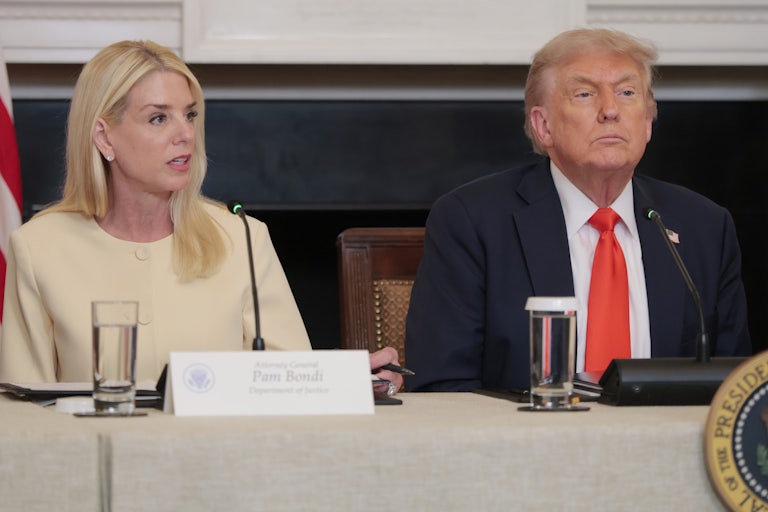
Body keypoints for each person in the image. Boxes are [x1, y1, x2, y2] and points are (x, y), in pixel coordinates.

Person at [0, 40, 403, 392]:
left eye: (189, 115)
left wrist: (348, 379)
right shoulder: (39, 247)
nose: (186, 134)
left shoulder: (241, 237)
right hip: (93, 471)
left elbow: (288, 379)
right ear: (105, 137)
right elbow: (21, 411)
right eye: (159, 118)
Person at [404, 28, 751, 392]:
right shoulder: (472, 221)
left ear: (648, 122)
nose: (611, 110)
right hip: (526, 444)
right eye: (585, 94)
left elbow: (734, 389)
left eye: (627, 93)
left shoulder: (704, 227)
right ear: (544, 126)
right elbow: (443, 387)